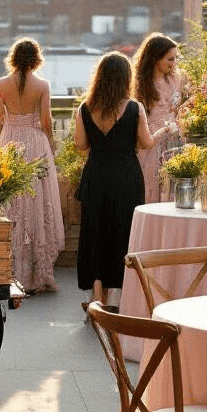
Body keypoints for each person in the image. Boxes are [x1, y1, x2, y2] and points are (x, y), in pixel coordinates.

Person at [74, 51, 173, 311]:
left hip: (96, 175)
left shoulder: (85, 107)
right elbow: (146, 143)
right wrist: (163, 129)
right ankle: (115, 298)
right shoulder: (133, 107)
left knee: (94, 232)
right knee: (122, 233)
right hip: (126, 178)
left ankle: (95, 293)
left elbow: (80, 144)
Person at [0, 38, 65, 294]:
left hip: (10, 142)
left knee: (12, 200)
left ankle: (11, 268)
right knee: (37, 200)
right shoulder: (42, 85)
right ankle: (38, 271)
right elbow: (46, 120)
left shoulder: (1, 83)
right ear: (36, 59)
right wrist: (52, 143)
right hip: (35, 143)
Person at [132, 33, 185, 203]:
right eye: (169, 59)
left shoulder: (177, 79)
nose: (174, 63)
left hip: (175, 139)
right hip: (150, 139)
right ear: (155, 59)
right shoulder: (139, 83)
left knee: (173, 183)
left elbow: (184, 105)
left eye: (175, 58)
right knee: (151, 183)